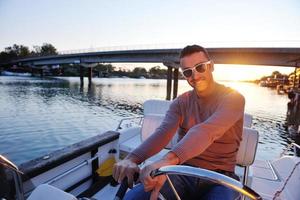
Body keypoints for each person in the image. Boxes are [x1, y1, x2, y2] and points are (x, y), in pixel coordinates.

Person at [113, 45, 245, 200]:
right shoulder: (181, 102)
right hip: (182, 171)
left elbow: (206, 131)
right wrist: (131, 159)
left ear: (211, 66)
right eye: (188, 72)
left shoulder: (233, 98)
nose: (195, 76)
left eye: (200, 67)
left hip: (221, 178)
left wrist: (167, 160)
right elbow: (163, 133)